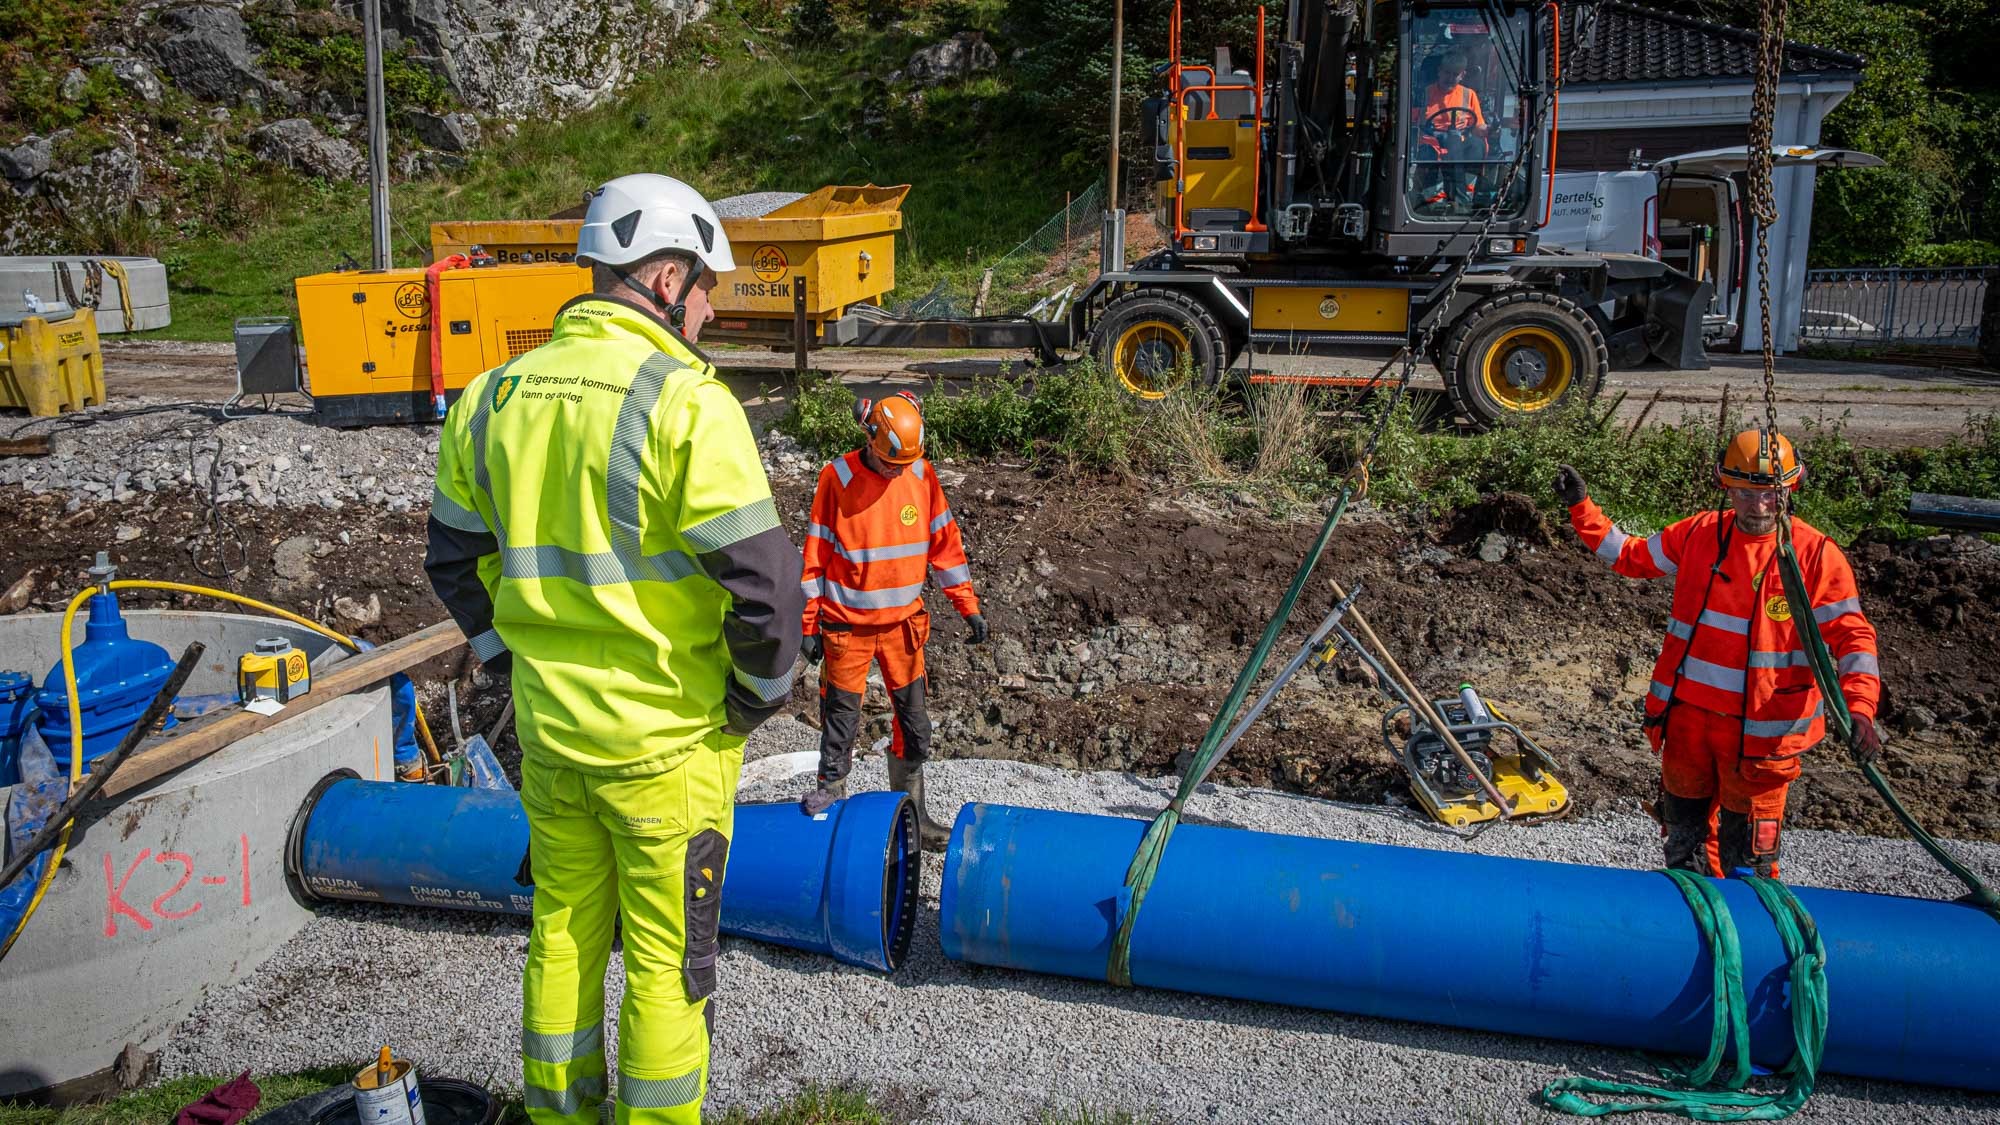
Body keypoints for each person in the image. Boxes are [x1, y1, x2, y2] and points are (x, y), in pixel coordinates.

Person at [426, 173, 803, 1124]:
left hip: (553, 743)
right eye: (709, 285)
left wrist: (508, 658)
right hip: (668, 748)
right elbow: (767, 594)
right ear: (667, 275)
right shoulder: (684, 401)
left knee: (561, 938)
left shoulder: (494, 394)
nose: (712, 308)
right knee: (671, 970)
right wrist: (754, 700)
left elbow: (452, 559)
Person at [1555, 428, 1883, 878]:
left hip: (1763, 743)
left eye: (1770, 493)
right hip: (1689, 727)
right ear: (1724, 484)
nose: (1758, 506)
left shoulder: (1814, 556)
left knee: (1749, 867)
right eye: (1745, 493)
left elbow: (1853, 639)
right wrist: (1582, 509)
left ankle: (1748, 943)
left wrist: (1860, 709)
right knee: (1684, 857)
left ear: (1792, 486)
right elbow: (1630, 556)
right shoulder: (1700, 534)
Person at [796, 391, 987, 850]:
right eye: (888, 464)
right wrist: (808, 624)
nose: (895, 472)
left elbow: (945, 545)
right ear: (871, 439)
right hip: (847, 628)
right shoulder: (837, 477)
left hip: (903, 629)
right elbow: (815, 555)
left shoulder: (920, 474)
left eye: (902, 465)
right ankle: (831, 809)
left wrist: (968, 605)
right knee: (840, 722)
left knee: (915, 724)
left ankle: (914, 816)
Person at [1418, 49, 1487, 205]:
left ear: (1462, 75)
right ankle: (1437, 196)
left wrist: (1489, 129)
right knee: (1440, 148)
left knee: (1476, 144)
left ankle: (1466, 191)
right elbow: (1414, 122)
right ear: (1439, 71)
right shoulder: (1424, 94)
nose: (1450, 78)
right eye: (1447, 73)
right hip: (1431, 140)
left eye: (1455, 74)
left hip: (1460, 141)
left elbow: (1478, 126)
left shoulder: (1469, 95)